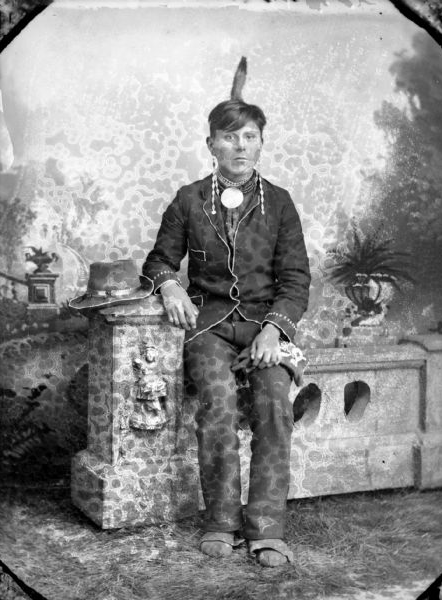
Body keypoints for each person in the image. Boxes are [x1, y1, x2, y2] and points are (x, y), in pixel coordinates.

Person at [142, 57, 311, 567]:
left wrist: (274, 331)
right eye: (230, 137)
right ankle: (220, 521)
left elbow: (296, 280)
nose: (241, 146)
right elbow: (158, 260)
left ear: (261, 142)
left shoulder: (279, 202)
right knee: (215, 403)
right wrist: (169, 285)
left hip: (265, 326)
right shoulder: (189, 200)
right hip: (210, 326)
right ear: (211, 143)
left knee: (275, 404)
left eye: (251, 137)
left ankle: (267, 528)